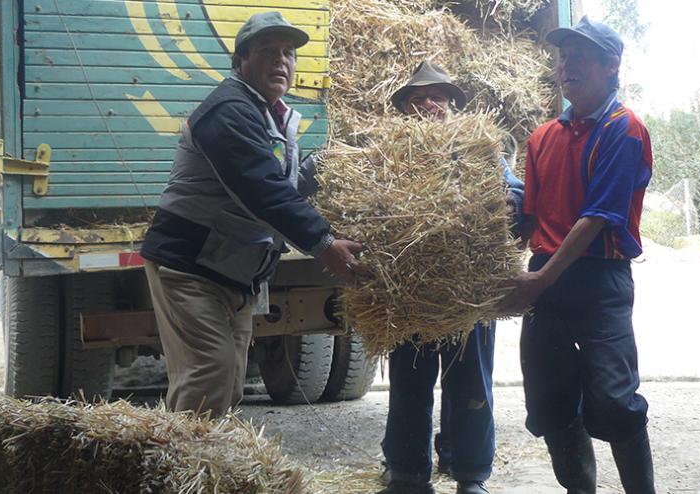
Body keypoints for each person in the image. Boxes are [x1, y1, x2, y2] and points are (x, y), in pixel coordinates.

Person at [141, 12, 362, 417]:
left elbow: (280, 183)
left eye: (288, 53)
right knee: (210, 374)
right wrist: (324, 243)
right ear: (240, 60)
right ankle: (184, 455)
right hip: (190, 266)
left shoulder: (270, 115)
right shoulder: (228, 109)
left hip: (235, 272)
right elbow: (261, 188)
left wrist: (329, 167)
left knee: (228, 382)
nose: (281, 61)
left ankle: (211, 454)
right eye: (267, 51)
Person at [501, 17, 656, 494]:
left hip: (599, 278)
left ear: (612, 66)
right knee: (550, 402)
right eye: (564, 57)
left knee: (614, 400)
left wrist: (539, 280)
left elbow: (597, 218)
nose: (567, 66)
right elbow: (531, 217)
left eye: (581, 57)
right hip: (546, 278)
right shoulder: (541, 138)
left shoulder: (623, 129)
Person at [377, 61, 523, 494]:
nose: (428, 104)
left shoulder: (477, 145)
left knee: (471, 380)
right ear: (405, 108)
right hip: (410, 288)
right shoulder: (389, 151)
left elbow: (513, 185)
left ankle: (470, 471)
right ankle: (407, 471)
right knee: (409, 380)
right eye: (417, 98)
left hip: (469, 288)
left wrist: (512, 201)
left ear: (451, 104)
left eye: (436, 97)